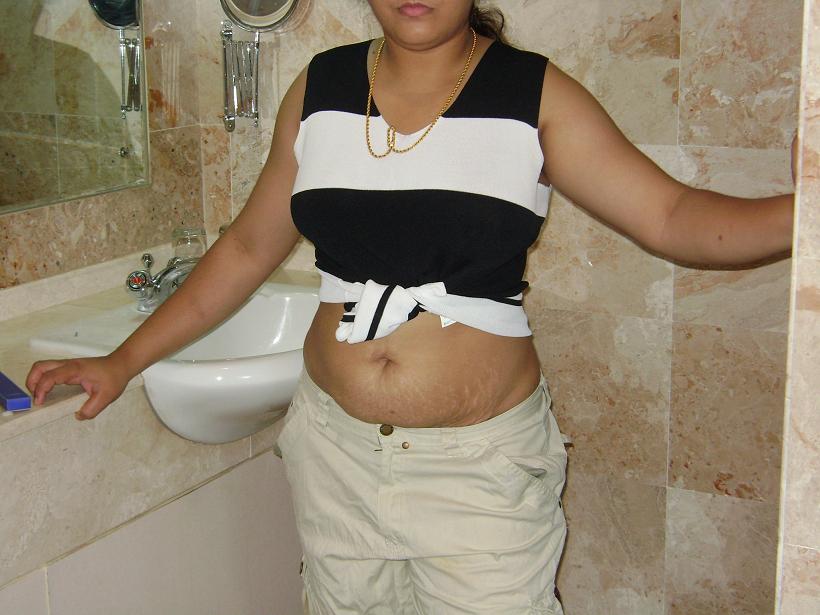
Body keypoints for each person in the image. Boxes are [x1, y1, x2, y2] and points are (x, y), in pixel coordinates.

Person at [27, 2, 796, 613]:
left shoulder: (532, 92)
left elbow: (671, 216)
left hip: (479, 470)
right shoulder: (321, 88)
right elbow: (245, 248)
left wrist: (807, 210)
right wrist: (123, 359)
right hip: (336, 455)